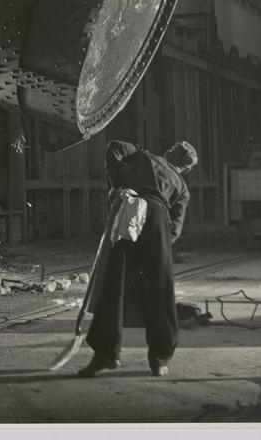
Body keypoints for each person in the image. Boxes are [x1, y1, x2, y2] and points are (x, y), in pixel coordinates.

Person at [78, 139, 197, 379]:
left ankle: (106, 354)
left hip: (130, 207)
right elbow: (175, 227)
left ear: (171, 153)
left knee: (114, 284)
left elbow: (113, 147)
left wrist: (118, 184)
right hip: (157, 218)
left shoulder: (145, 156)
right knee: (160, 289)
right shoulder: (182, 188)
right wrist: (159, 244)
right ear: (186, 168)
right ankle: (160, 360)